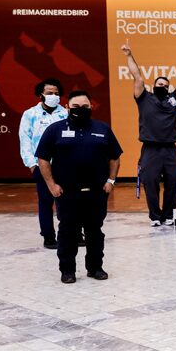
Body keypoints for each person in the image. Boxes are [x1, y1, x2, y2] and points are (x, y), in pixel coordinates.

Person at [35, 91, 122, 284]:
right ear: (67, 108)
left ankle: (95, 267)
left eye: (84, 107)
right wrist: (51, 185)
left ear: (91, 108)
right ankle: (67, 270)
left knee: (95, 231)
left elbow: (115, 156)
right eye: (75, 107)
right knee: (67, 231)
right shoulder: (55, 130)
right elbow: (42, 158)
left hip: (97, 192)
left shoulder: (103, 128)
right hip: (66, 193)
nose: (80, 110)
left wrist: (111, 181)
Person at [122, 41, 176, 226]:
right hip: (150, 149)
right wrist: (129, 55)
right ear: (153, 86)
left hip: (170, 149)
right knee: (150, 183)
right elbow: (137, 77)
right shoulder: (144, 98)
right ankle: (154, 216)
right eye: (159, 84)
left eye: (165, 85)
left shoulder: (173, 100)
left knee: (172, 183)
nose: (163, 86)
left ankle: (168, 216)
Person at [18, 78, 68, 249]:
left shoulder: (66, 113)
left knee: (69, 201)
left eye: (56, 93)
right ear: (41, 95)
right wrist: (32, 165)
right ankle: (48, 236)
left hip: (65, 164)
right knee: (46, 202)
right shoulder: (30, 114)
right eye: (49, 93)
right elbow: (25, 140)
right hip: (42, 165)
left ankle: (73, 233)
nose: (54, 96)